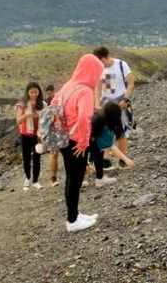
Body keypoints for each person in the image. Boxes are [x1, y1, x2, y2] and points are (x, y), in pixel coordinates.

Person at [53, 54, 103, 232]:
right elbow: (84, 116)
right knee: (75, 179)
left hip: (64, 138)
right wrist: (83, 140)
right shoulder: (85, 91)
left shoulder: (68, 86)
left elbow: (53, 104)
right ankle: (72, 221)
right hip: (76, 141)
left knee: (70, 177)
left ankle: (74, 213)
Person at [93, 46, 135, 169]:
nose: (101, 65)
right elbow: (98, 87)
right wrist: (97, 103)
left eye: (102, 61)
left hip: (120, 101)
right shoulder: (99, 69)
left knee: (121, 130)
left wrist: (126, 99)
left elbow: (131, 82)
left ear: (107, 56)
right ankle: (105, 159)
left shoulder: (121, 64)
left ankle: (122, 160)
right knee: (105, 130)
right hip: (106, 102)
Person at [89, 101, 134, 187]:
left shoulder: (101, 119)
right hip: (84, 139)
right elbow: (111, 146)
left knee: (98, 153)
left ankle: (99, 178)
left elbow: (110, 146)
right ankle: (96, 178)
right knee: (95, 153)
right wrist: (126, 159)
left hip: (88, 139)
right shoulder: (100, 123)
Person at [14, 82, 44, 191]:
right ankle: (27, 178)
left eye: (36, 92)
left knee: (37, 158)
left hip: (38, 135)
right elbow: (18, 120)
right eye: (31, 92)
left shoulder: (43, 104)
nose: (34, 94)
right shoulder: (22, 104)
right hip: (25, 134)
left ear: (39, 92)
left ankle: (36, 180)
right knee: (26, 158)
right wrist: (26, 115)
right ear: (27, 92)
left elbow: (47, 119)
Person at [44, 84, 61, 188]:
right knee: (54, 154)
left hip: (62, 130)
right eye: (48, 93)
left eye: (50, 92)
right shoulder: (46, 102)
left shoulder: (60, 99)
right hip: (53, 131)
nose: (49, 95)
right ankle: (53, 178)